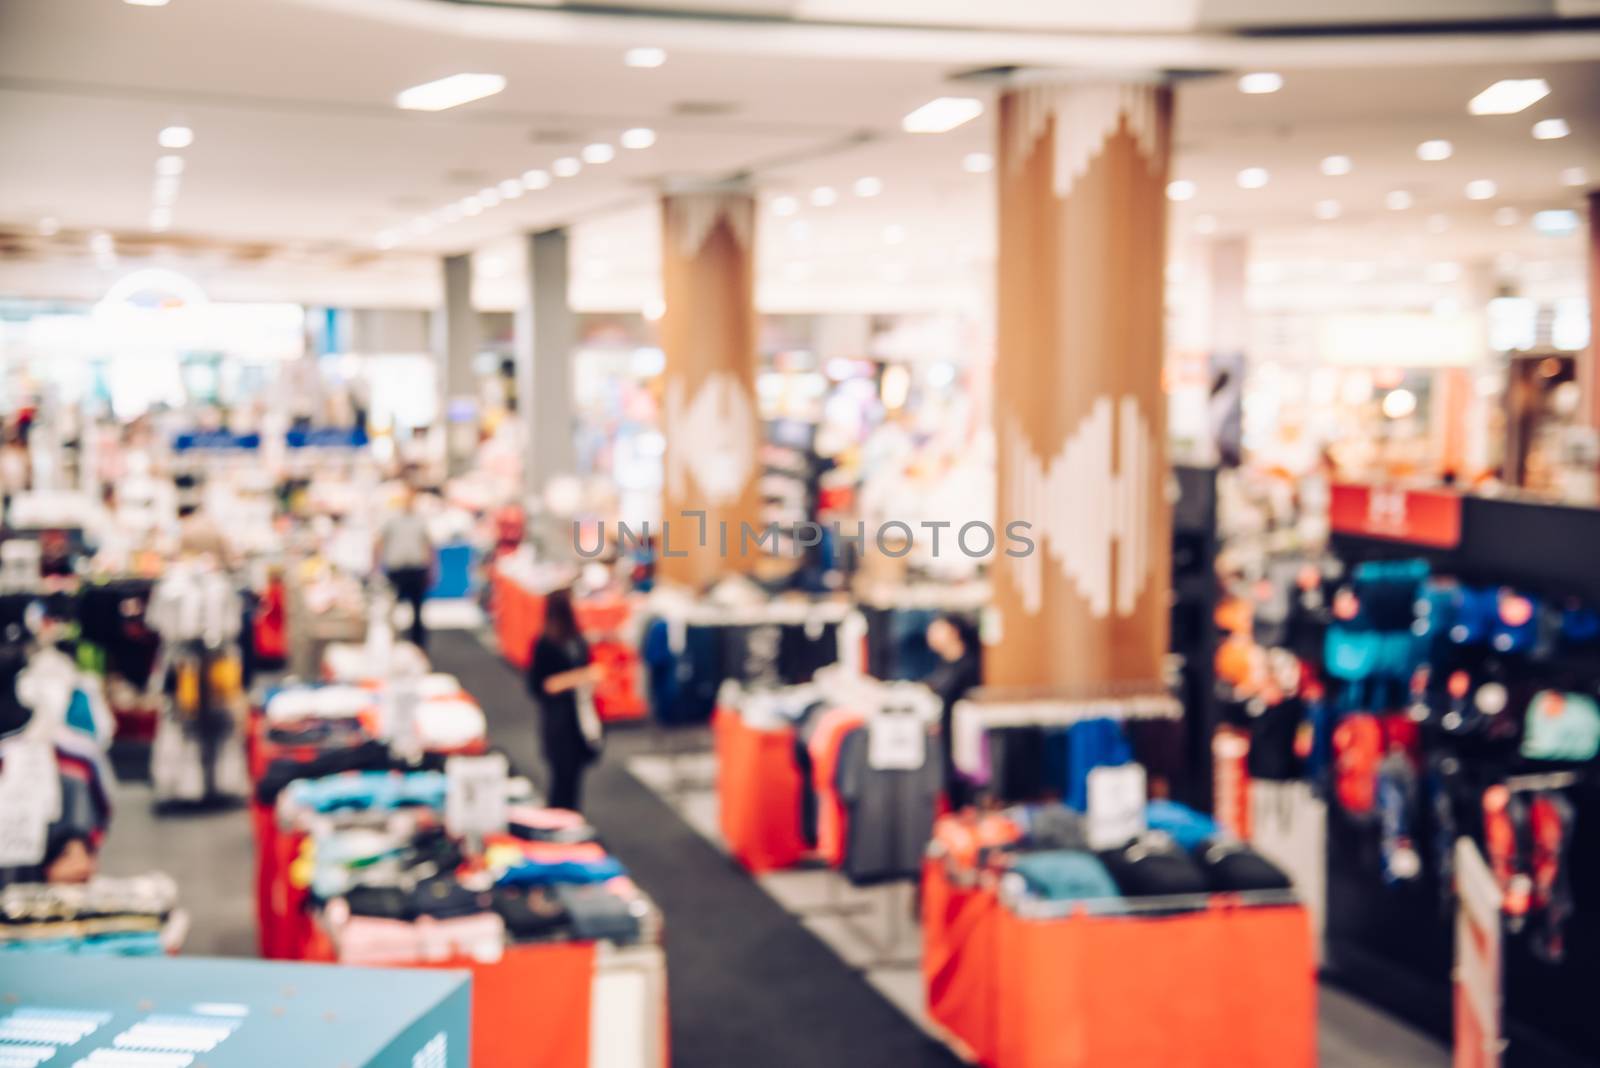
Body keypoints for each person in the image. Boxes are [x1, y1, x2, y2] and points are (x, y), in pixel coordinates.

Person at [527, 588, 600, 811]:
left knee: (574, 779)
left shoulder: (578, 640)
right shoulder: (545, 644)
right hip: (559, 720)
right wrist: (578, 678)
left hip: (580, 715)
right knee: (561, 779)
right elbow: (539, 686)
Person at [925, 613, 982, 809]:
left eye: (938, 629)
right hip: (945, 734)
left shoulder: (968, 665)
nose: (931, 635)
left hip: (962, 737)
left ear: (954, 631)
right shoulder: (942, 663)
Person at [377, 487, 434, 650]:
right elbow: (380, 542)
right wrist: (376, 566)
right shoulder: (391, 519)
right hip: (397, 570)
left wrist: (431, 567)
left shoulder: (420, 520)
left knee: (417, 610)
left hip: (416, 568)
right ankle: (393, 642)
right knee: (392, 609)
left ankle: (419, 645)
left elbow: (428, 544)